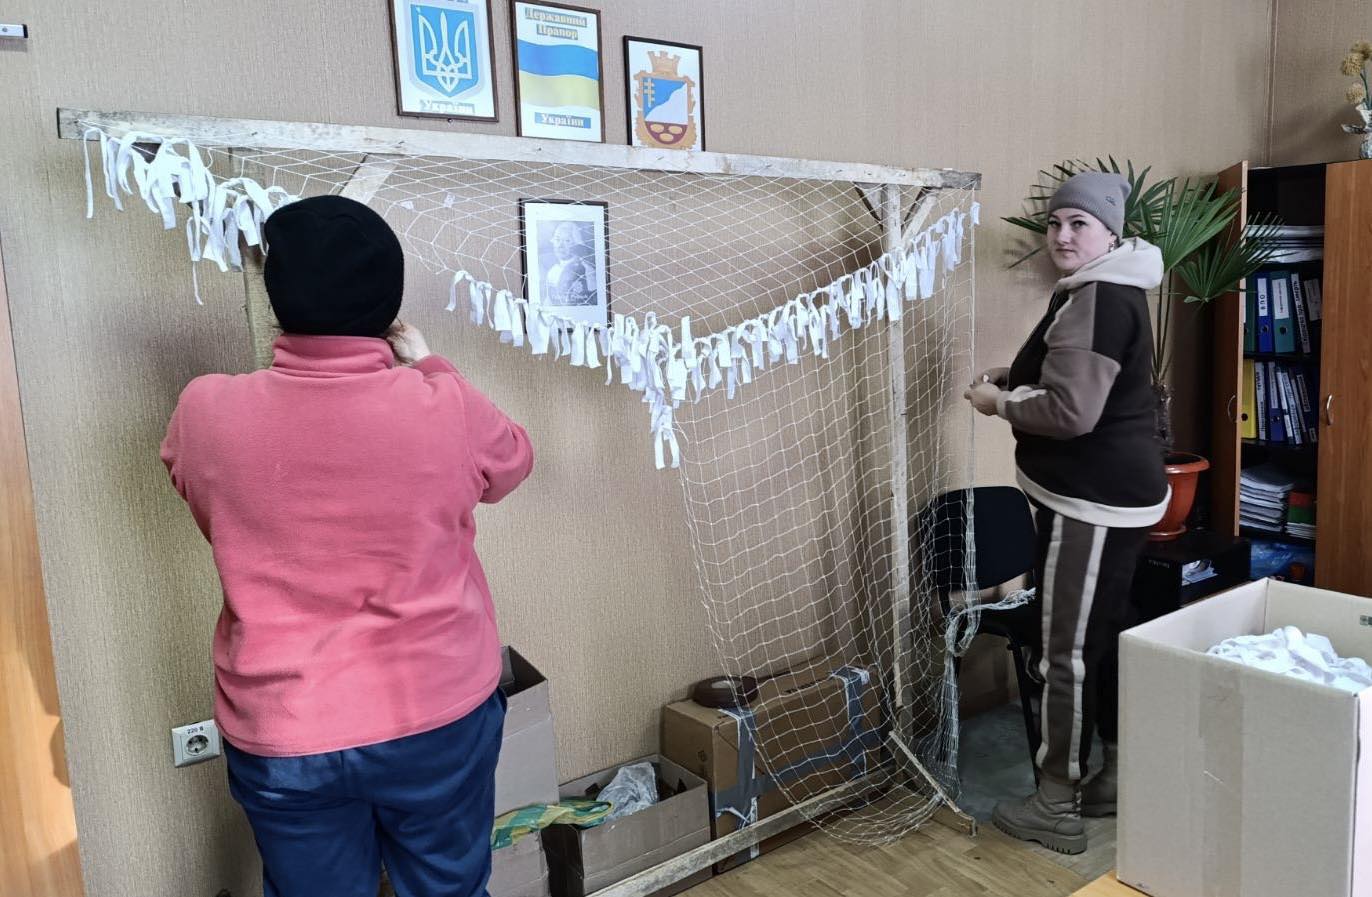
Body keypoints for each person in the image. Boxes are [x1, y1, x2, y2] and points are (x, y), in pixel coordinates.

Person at [160, 194, 535, 897]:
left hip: (284, 726)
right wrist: (431, 365)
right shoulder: (445, 405)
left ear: (278, 298)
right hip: (437, 717)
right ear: (390, 307)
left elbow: (193, 483)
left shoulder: (203, 409)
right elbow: (512, 462)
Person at [963, 172, 1168, 855]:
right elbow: (1083, 380)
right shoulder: (1115, 285)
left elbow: (1071, 412)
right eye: (1055, 223)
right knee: (1101, 636)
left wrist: (999, 403)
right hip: (1117, 495)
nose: (1061, 235)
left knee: (1066, 652)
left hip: (1091, 502)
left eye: (1079, 224)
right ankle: (1112, 778)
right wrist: (1019, 376)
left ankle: (1055, 803)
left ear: (1110, 231)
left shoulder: (1097, 297)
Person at [544, 221, 595, 305]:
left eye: (567, 241)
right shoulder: (552, 271)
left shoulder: (587, 270)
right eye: (557, 240)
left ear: (576, 244)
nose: (560, 245)